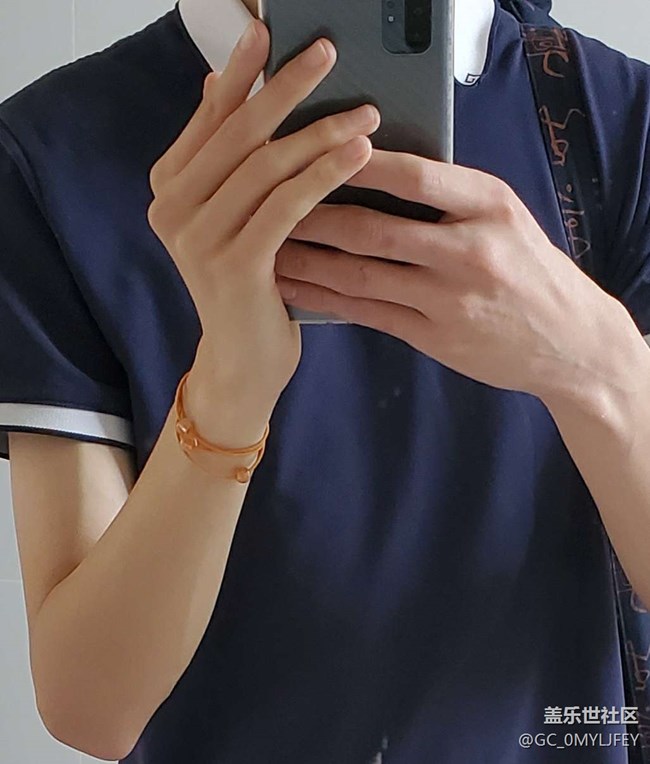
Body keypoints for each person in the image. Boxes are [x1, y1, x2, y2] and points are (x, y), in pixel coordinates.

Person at [1, 0, 649, 761]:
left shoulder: (614, 118)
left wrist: (596, 364)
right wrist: (230, 385)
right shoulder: (50, 151)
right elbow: (90, 708)